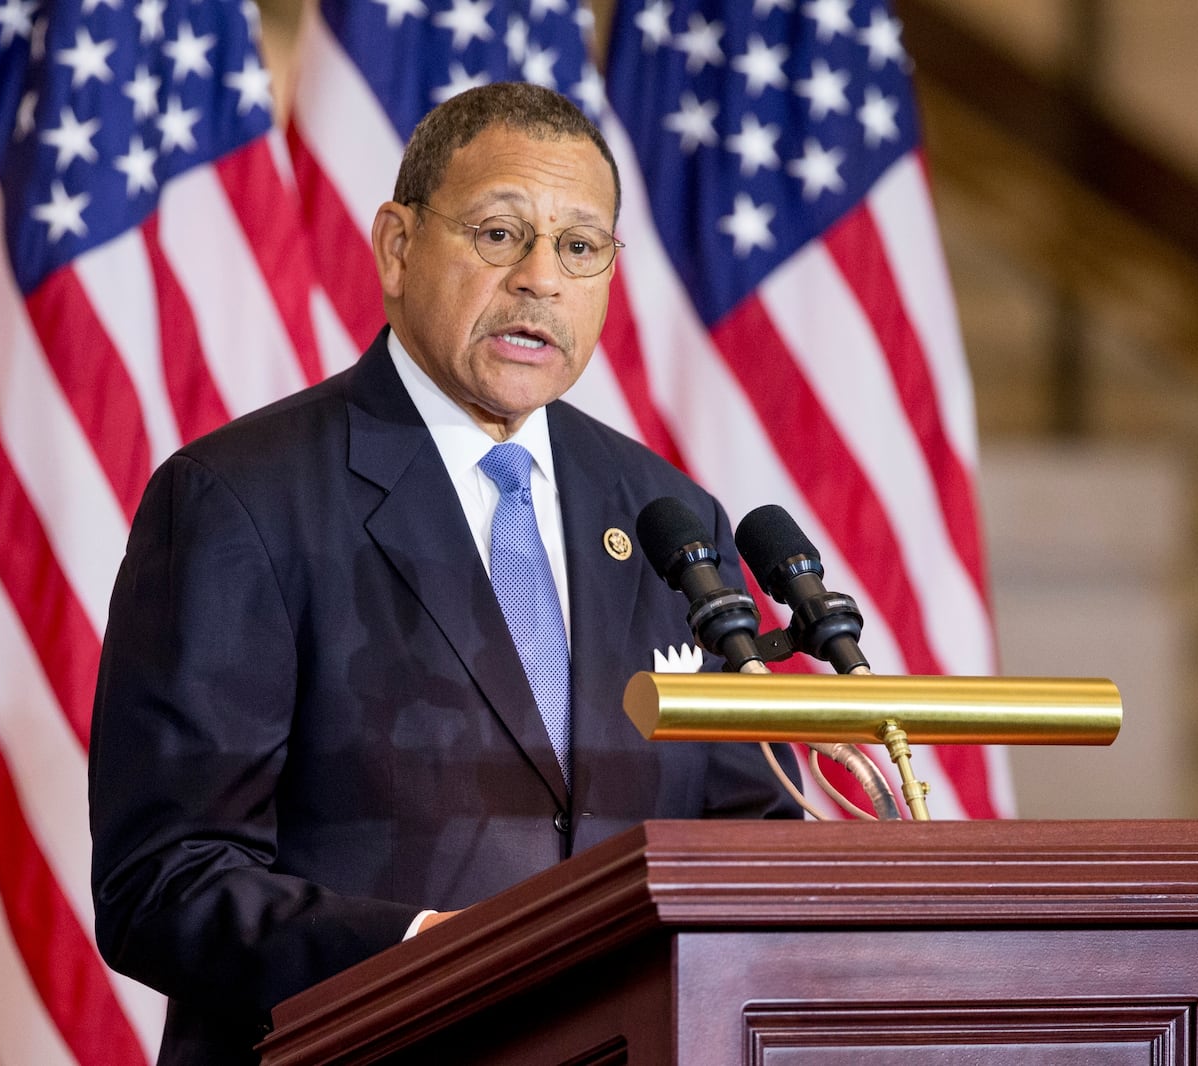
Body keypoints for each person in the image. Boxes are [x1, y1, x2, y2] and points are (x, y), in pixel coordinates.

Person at [88, 82, 802, 1065]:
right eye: (501, 234)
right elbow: (163, 884)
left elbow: (755, 827)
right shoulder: (238, 499)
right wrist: (428, 955)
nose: (541, 280)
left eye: (581, 247)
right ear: (396, 246)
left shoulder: (663, 513)